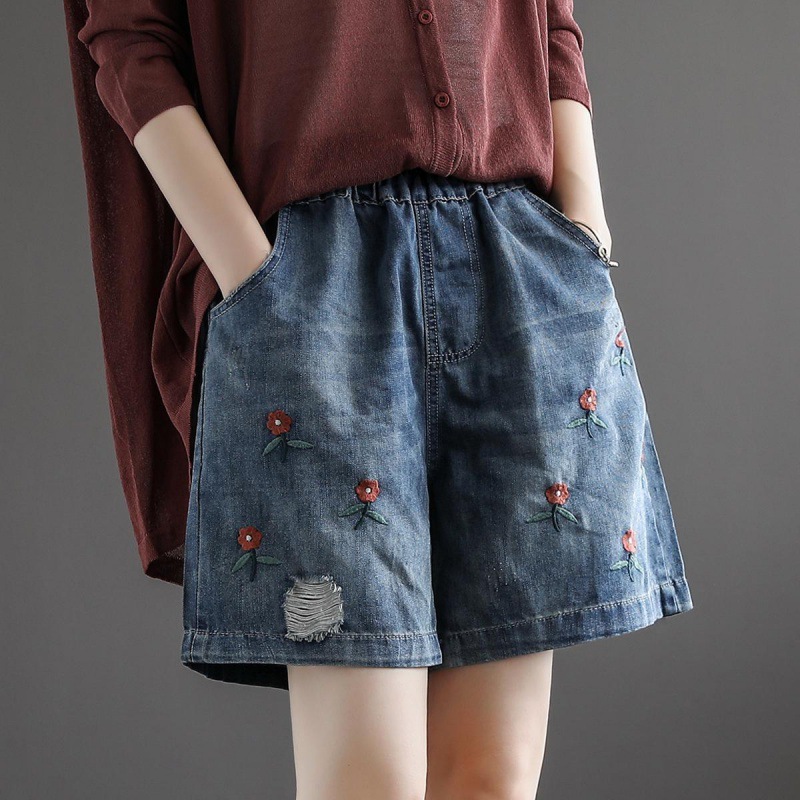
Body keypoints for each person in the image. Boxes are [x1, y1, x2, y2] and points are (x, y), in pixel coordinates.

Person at [66, 2, 694, 797]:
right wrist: (251, 272)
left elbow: (551, 24)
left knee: (491, 779)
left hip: (515, 264)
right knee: (366, 783)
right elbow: (128, 36)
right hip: (314, 281)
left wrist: (584, 228)